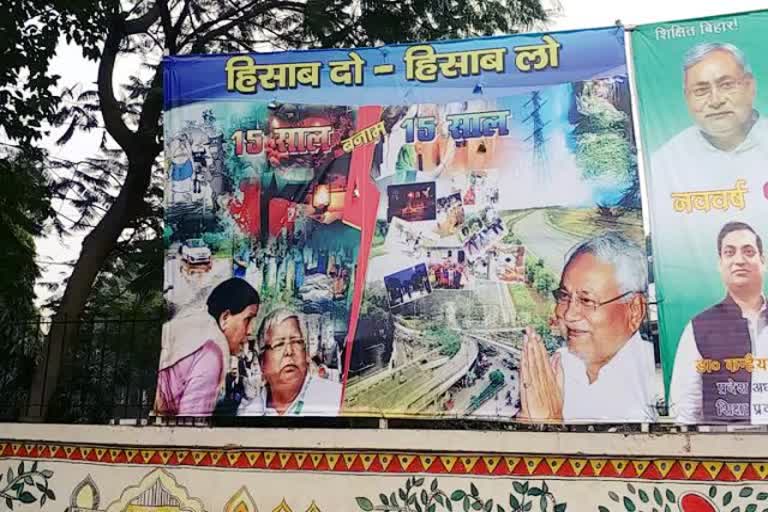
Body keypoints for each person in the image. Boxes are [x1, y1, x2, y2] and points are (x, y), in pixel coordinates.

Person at [518, 232, 655, 423]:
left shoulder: (656, 379)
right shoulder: (557, 367)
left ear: (634, 311)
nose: (568, 314)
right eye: (564, 296)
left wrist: (550, 426)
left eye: (586, 300)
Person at [669, 222, 767, 424]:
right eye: (730, 253)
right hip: (728, 450)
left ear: (763, 260)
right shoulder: (700, 328)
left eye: (748, 251)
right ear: (720, 263)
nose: (739, 260)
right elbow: (685, 411)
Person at [652, 42, 768, 178]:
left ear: (749, 86)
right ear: (687, 98)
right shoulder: (664, 163)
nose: (716, 101)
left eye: (726, 85)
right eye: (701, 90)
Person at [155, 279, 261, 416]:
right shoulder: (212, 353)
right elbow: (192, 423)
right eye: (247, 319)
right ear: (225, 318)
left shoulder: (199, 330)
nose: (250, 331)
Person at [239, 308, 342, 416]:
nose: (289, 351)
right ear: (262, 362)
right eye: (278, 344)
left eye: (297, 342)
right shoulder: (249, 413)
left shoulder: (335, 400)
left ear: (307, 354)